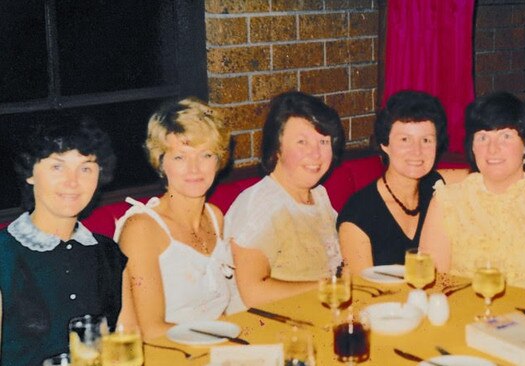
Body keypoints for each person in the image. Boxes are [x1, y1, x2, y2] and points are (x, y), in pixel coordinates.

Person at [0, 115, 127, 365]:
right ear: (30, 173)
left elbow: (124, 343)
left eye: (86, 168)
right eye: (57, 166)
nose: (73, 181)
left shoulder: (108, 253)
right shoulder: (3, 255)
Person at [114, 97, 242, 341]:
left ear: (219, 160)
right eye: (180, 157)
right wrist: (229, 339)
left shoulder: (214, 216)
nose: (195, 169)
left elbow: (224, 308)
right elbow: (150, 331)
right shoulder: (142, 229)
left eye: (206, 155)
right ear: (161, 163)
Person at [419, 91, 525, 287]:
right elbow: (433, 283)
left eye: (506, 136)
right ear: (472, 147)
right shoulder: (447, 201)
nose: (493, 149)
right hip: (465, 312)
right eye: (483, 138)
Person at [224, 91, 344, 307]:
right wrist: (329, 287)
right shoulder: (262, 204)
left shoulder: (318, 195)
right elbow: (253, 293)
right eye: (302, 142)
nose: (316, 154)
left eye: (323, 141)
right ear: (277, 149)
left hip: (313, 314)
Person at [337, 90, 449, 274]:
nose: (417, 151)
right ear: (385, 144)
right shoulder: (359, 213)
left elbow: (482, 177)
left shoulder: (435, 185)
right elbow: (361, 289)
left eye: (426, 140)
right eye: (405, 139)